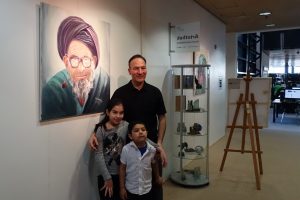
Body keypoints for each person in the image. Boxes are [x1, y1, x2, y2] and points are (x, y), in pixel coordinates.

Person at [90, 54, 167, 200]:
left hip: (150, 148)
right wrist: (94, 133)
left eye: (143, 68)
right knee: (131, 191)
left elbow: (162, 118)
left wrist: (160, 144)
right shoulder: (120, 93)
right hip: (128, 151)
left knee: (154, 189)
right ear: (129, 71)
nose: (140, 72)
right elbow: (109, 116)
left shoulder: (155, 92)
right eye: (136, 68)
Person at [41, 16, 110, 120]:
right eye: (74, 60)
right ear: (66, 61)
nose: (81, 69)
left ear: (94, 61)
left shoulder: (103, 81)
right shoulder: (53, 90)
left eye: (86, 59)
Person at [119, 121, 162, 200]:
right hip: (131, 190)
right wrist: (122, 188)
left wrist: (157, 177)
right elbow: (122, 168)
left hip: (147, 189)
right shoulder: (126, 149)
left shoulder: (152, 150)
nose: (141, 132)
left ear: (147, 133)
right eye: (136, 130)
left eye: (143, 130)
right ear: (130, 136)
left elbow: (154, 164)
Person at [94, 98, 128, 200]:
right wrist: (107, 177)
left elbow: (142, 138)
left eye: (121, 113)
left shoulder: (126, 125)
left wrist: (158, 147)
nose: (118, 116)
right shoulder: (101, 129)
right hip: (106, 176)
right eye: (115, 112)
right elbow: (98, 154)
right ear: (108, 112)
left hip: (122, 175)